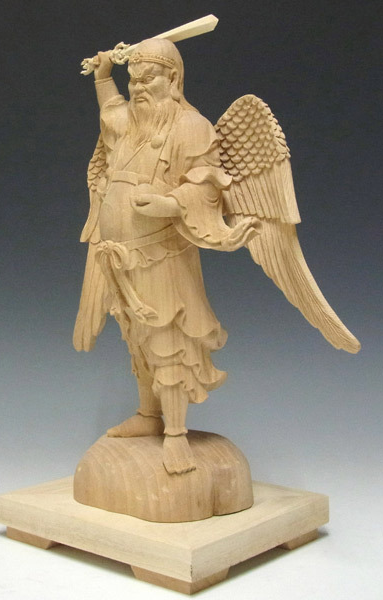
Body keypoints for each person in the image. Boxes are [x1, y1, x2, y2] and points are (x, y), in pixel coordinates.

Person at [74, 38, 258, 474]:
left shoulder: (191, 127)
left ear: (173, 79)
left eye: (149, 78)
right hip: (119, 257)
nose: (138, 88)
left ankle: (175, 435)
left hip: (162, 255)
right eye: (133, 80)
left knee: (168, 342)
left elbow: (207, 184)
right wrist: (103, 75)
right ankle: (148, 415)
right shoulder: (130, 124)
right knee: (136, 338)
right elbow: (110, 110)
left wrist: (171, 203)